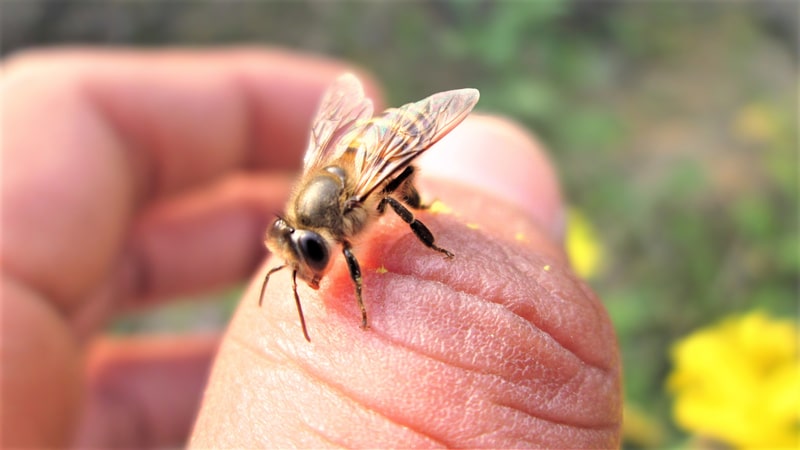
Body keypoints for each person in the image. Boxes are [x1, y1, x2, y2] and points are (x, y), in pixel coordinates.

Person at [1, 48, 621, 448]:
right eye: (305, 258)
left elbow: (381, 202)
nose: (310, 271)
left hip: (384, 151)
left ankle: (443, 244)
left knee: (400, 199)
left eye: (311, 258)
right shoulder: (309, 208)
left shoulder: (351, 213)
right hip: (352, 160)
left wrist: (436, 244)